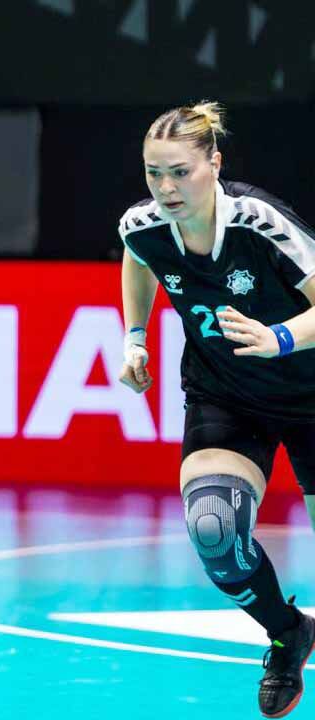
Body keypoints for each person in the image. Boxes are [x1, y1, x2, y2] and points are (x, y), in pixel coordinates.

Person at [118, 101, 315, 719]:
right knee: (214, 529)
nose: (166, 188)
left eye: (180, 172)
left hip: (312, 394)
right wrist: (135, 338)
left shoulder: (259, 222)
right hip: (227, 395)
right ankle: (287, 635)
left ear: (215, 164)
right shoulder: (143, 225)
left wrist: (280, 338)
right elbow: (138, 258)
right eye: (154, 173)